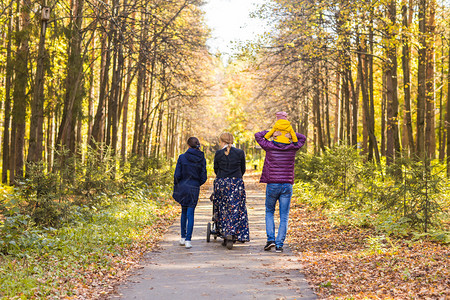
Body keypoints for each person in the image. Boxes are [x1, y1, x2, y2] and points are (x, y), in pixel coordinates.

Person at [255, 129, 306, 253]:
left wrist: (272, 132)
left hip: (272, 184)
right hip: (287, 185)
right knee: (284, 215)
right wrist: (291, 134)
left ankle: (270, 240)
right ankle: (279, 245)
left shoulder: (270, 146)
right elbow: (302, 138)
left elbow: (258, 136)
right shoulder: (292, 147)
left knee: (269, 211)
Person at [213, 132, 250, 246]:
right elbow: (242, 169)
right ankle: (235, 232)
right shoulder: (240, 152)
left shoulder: (219, 153)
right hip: (236, 183)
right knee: (237, 208)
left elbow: (216, 169)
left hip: (222, 182)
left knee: (223, 208)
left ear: (222, 141)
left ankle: (225, 232)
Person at [172, 137, 207, 249]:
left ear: (188, 145)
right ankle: (188, 240)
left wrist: (178, 185)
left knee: (183, 211)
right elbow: (203, 176)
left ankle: (182, 238)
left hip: (183, 186)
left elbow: (177, 175)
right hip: (194, 186)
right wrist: (197, 183)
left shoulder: (182, 157)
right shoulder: (202, 158)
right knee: (191, 213)